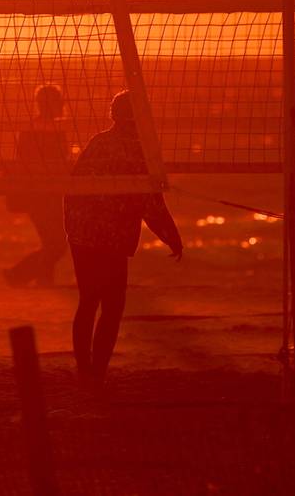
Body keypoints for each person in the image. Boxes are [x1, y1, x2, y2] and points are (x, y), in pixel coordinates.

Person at [64, 90, 182, 388]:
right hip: (111, 237)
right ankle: (98, 373)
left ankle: (85, 370)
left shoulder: (98, 142)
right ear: (139, 116)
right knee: (112, 306)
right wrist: (171, 236)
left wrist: (71, 228)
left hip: (82, 234)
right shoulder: (140, 149)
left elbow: (71, 188)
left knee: (88, 301)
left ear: (113, 115)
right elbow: (149, 202)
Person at [4, 84, 70, 287]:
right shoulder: (54, 131)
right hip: (45, 192)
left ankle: (35, 278)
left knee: (53, 242)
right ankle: (20, 275)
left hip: (39, 192)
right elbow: (58, 160)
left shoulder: (30, 129)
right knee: (56, 243)